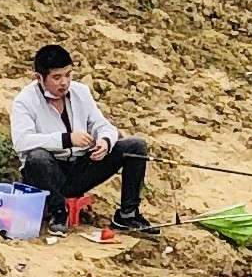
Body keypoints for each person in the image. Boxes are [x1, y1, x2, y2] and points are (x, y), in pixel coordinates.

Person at [9, 42, 156, 231]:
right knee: (37, 157)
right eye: (56, 77)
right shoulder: (25, 101)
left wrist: (105, 141)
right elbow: (22, 142)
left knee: (135, 146)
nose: (64, 82)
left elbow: (102, 125)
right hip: (46, 173)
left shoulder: (81, 92)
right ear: (40, 78)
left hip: (79, 167)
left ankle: (128, 214)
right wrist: (66, 139)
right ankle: (58, 213)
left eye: (68, 75)